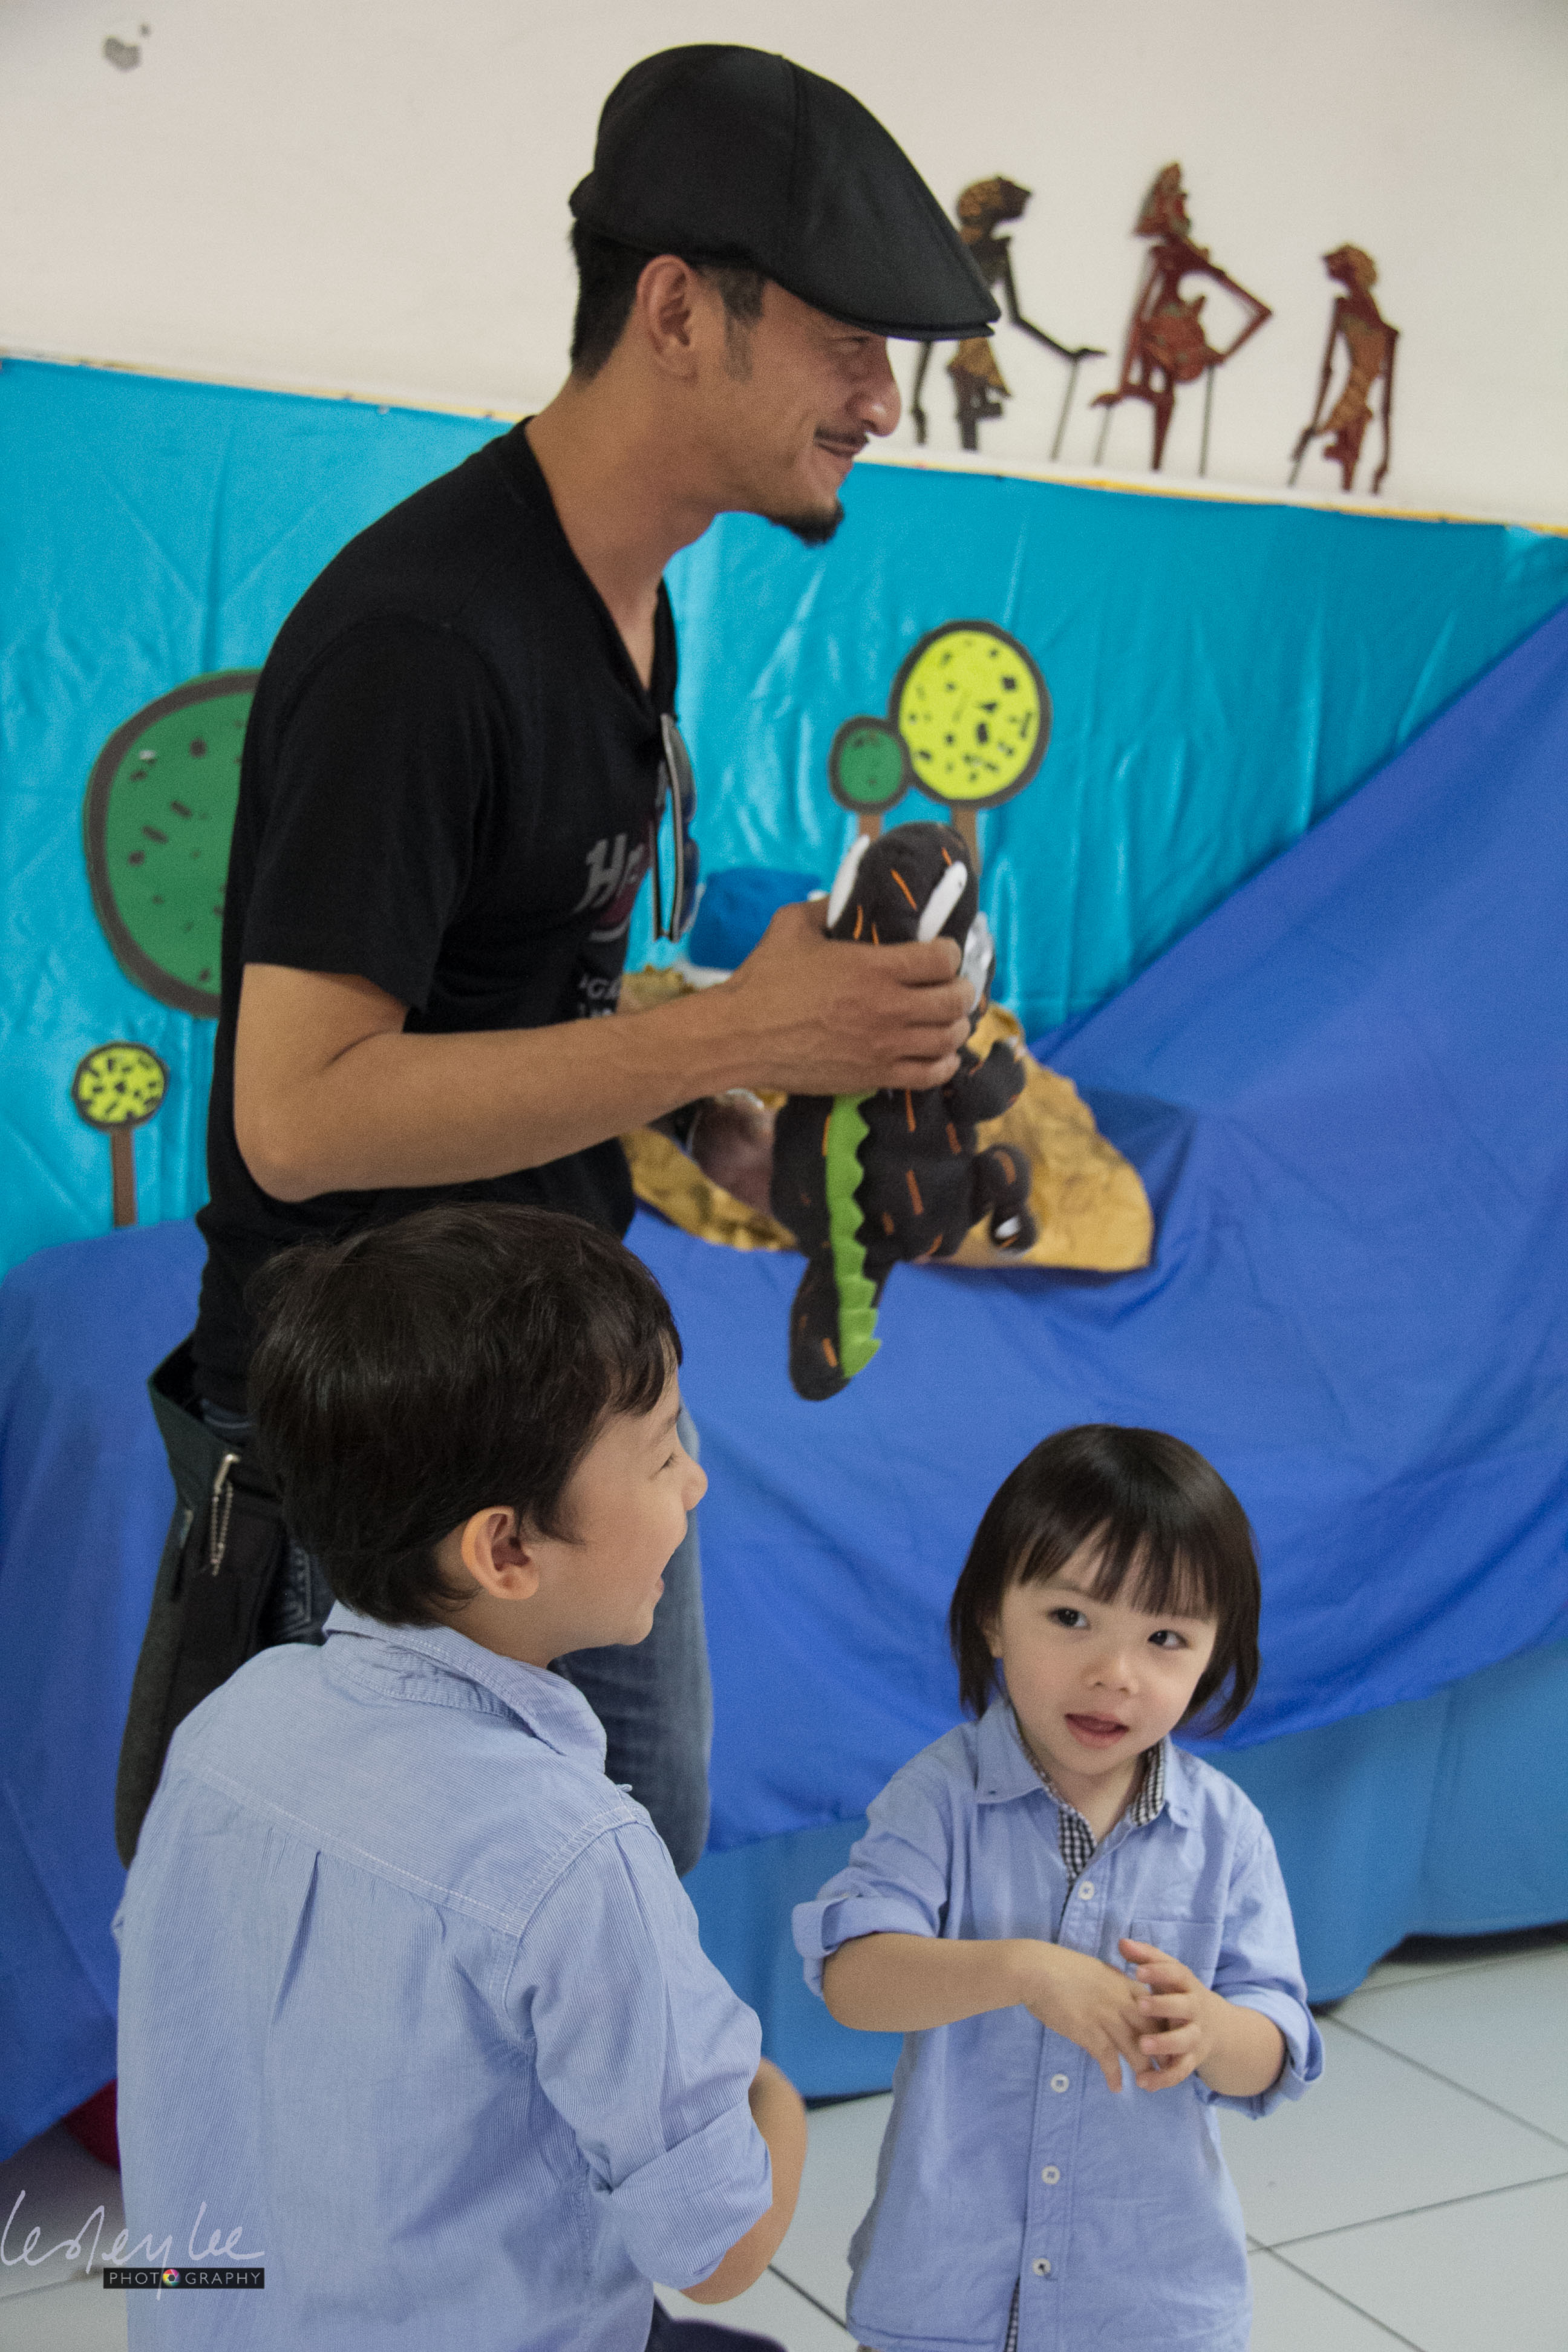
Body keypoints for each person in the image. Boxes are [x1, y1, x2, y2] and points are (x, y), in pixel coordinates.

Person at [114, 43, 999, 1875]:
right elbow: (299, 1118)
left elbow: (519, 1001)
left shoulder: (634, 604)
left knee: (615, 1910)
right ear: (677, 311)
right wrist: (728, 1030)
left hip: (571, 1402)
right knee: (403, 1986)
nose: (885, 401)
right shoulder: (428, 640)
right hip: (391, 1465)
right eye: (850, 343)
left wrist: (718, 1126)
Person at [115, 1202, 808, 2350]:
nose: (693, 1483)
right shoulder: (573, 1854)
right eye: (663, 1452)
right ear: (507, 1549)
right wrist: (772, 2105)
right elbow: (720, 2251)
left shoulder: (228, 1726)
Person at [792, 1425, 1322, 2352]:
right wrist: (1024, 1970)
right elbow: (854, 1982)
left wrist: (1210, 2030)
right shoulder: (938, 1798)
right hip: (946, 2301)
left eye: (1165, 1638)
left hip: (1150, 2307)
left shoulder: (1227, 1830)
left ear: (1212, 1656)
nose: (1114, 1673)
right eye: (1072, 1618)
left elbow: (1275, 2052)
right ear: (993, 1615)